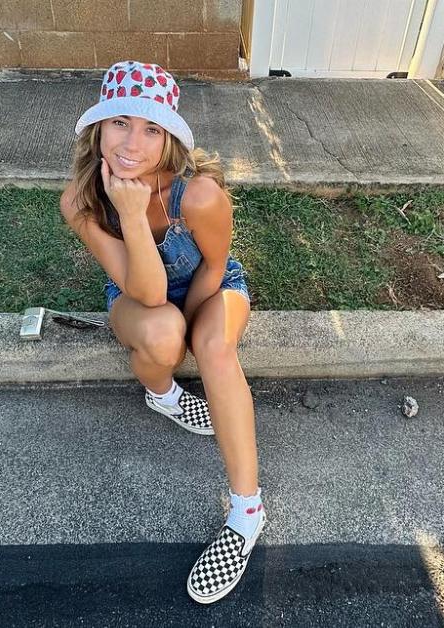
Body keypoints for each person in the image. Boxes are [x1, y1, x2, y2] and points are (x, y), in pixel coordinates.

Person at [59, 60, 264, 604]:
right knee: (160, 329)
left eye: (152, 129)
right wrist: (128, 211)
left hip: (210, 285)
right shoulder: (82, 200)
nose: (133, 142)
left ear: (169, 136)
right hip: (137, 293)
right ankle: (163, 395)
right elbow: (145, 294)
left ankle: (247, 512)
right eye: (120, 123)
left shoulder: (197, 196)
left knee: (214, 349)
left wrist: (200, 330)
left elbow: (214, 268)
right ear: (99, 128)